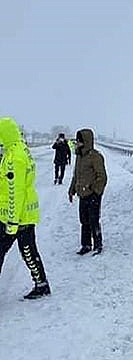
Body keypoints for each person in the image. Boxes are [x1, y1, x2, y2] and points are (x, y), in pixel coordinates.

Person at [0, 117, 51, 299]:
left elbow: (15, 193)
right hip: (23, 216)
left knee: (27, 251)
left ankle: (42, 284)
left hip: (16, 217)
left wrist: (12, 222)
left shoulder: (14, 158)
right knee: (28, 250)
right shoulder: (21, 150)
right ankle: (41, 284)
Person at [68, 129, 108, 256]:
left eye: (80, 141)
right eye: (77, 141)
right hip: (82, 194)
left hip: (93, 195)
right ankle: (86, 245)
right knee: (83, 220)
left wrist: (95, 190)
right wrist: (72, 190)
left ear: (86, 141)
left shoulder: (95, 156)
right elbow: (76, 175)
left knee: (93, 220)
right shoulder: (79, 156)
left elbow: (102, 176)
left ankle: (98, 245)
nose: (78, 143)